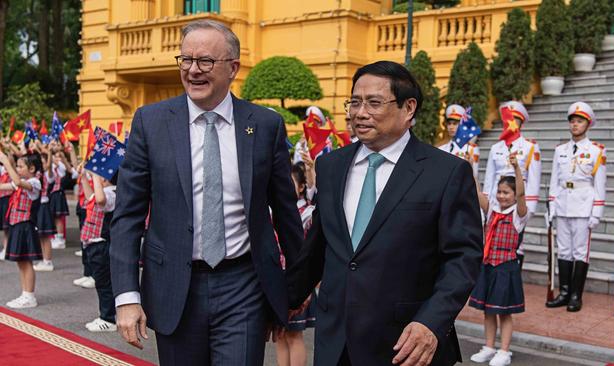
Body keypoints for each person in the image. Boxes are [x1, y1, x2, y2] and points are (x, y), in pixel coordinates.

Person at [110, 19, 303, 365]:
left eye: (205, 62)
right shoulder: (150, 122)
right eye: (186, 60)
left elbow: (286, 212)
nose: (193, 70)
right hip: (174, 287)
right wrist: (126, 295)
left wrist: (299, 286)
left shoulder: (265, 125)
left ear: (233, 67)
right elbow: (127, 216)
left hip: (245, 285)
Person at [288, 60, 483, 366]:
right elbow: (320, 244)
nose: (360, 112)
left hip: (405, 344)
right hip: (336, 342)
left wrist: (431, 322)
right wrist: (286, 300)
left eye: (374, 103)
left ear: (408, 109)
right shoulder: (331, 166)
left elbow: (463, 258)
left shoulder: (446, 172)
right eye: (355, 101)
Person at [547, 102, 606, 312]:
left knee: (580, 252)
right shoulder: (560, 150)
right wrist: (551, 206)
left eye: (579, 121)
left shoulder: (596, 151)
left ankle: (575, 295)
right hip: (563, 203)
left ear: (587, 124)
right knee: (564, 250)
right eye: (572, 121)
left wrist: (596, 212)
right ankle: (563, 292)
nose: (574, 125)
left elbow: (599, 185)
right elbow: (554, 180)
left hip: (583, 206)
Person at [469, 153, 527, 366]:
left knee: (504, 312)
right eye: (500, 192)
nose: (502, 196)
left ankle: (504, 350)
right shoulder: (491, 211)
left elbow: (521, 195)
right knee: (487, 309)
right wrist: (471, 167)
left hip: (506, 267)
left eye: (506, 193)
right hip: (488, 265)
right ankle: (489, 346)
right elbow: (476, 192)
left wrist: (517, 169)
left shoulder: (518, 215)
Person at [483, 101, 541, 265]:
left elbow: (534, 180)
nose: (510, 123)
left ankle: (512, 277)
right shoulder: (496, 148)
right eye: (508, 119)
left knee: (516, 244)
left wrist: (529, 208)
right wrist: (487, 205)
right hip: (497, 200)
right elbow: (489, 179)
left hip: (517, 203)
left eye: (514, 120)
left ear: (520, 123)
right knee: (494, 241)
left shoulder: (530, 147)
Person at [276, 163, 316, 366]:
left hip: (296, 277)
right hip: (277, 277)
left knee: (294, 336)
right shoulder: (273, 209)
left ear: (301, 187)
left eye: (289, 183)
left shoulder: (308, 212)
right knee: (280, 334)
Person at [0, 151, 43, 309]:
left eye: (20, 166)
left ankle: (29, 295)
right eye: (16, 166)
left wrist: (5, 160)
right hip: (17, 224)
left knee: (26, 261)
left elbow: (17, 182)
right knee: (21, 262)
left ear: (31, 168)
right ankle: (25, 293)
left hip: (26, 225)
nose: (17, 168)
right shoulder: (23, 180)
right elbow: (5, 186)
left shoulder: (34, 182)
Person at [80, 171, 118, 332]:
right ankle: (105, 315)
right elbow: (92, 197)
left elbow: (101, 200)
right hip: (94, 244)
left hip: (102, 244)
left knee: (104, 283)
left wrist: (95, 176)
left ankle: (108, 318)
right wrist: (83, 178)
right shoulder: (104, 192)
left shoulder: (113, 193)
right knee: (101, 282)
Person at [438, 104, 480, 178]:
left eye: (455, 124)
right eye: (449, 124)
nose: (451, 127)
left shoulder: (471, 149)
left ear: (462, 126)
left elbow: (474, 175)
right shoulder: (441, 149)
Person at [32, 144, 56, 272]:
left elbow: (50, 167)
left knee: (45, 235)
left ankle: (48, 261)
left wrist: (50, 154)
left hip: (44, 205)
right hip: (38, 206)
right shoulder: (37, 176)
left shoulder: (47, 174)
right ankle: (44, 259)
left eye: (43, 161)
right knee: (41, 235)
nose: (42, 164)